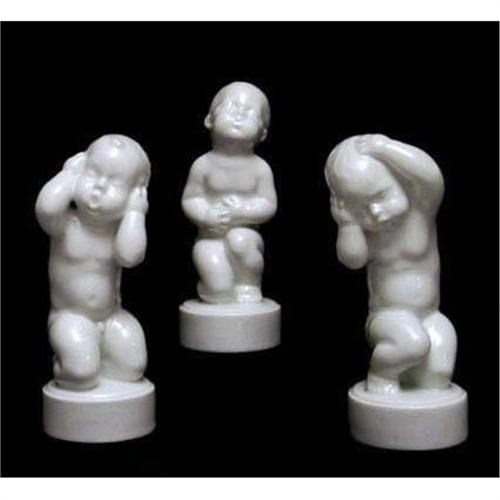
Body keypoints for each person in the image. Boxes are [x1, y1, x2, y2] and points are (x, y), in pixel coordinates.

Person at [325, 134, 457, 394]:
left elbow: (431, 177)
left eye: (381, 196)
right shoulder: (371, 235)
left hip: (430, 314)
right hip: (387, 318)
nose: (375, 212)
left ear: (403, 183)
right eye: (361, 208)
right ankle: (381, 375)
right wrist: (348, 224)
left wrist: (386, 148)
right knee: (413, 344)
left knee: (439, 373)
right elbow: (353, 260)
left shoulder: (421, 212)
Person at [36, 134, 150, 390]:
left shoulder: (117, 231)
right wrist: (68, 174)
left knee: (133, 368)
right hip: (70, 317)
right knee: (81, 373)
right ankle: (69, 363)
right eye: (92, 173)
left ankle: (95, 355)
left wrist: (135, 213)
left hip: (111, 317)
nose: (99, 187)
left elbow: (130, 256)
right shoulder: (65, 223)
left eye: (115, 183)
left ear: (134, 193)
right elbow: (46, 209)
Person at [182, 82, 277, 304]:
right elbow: (190, 199)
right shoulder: (203, 165)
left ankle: (249, 284)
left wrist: (242, 211)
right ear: (209, 120)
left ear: (262, 133)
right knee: (219, 292)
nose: (239, 115)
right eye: (231, 107)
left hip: (246, 236)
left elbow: (269, 204)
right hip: (209, 239)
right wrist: (205, 215)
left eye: (250, 113)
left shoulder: (260, 168)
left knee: (240, 240)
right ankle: (216, 289)